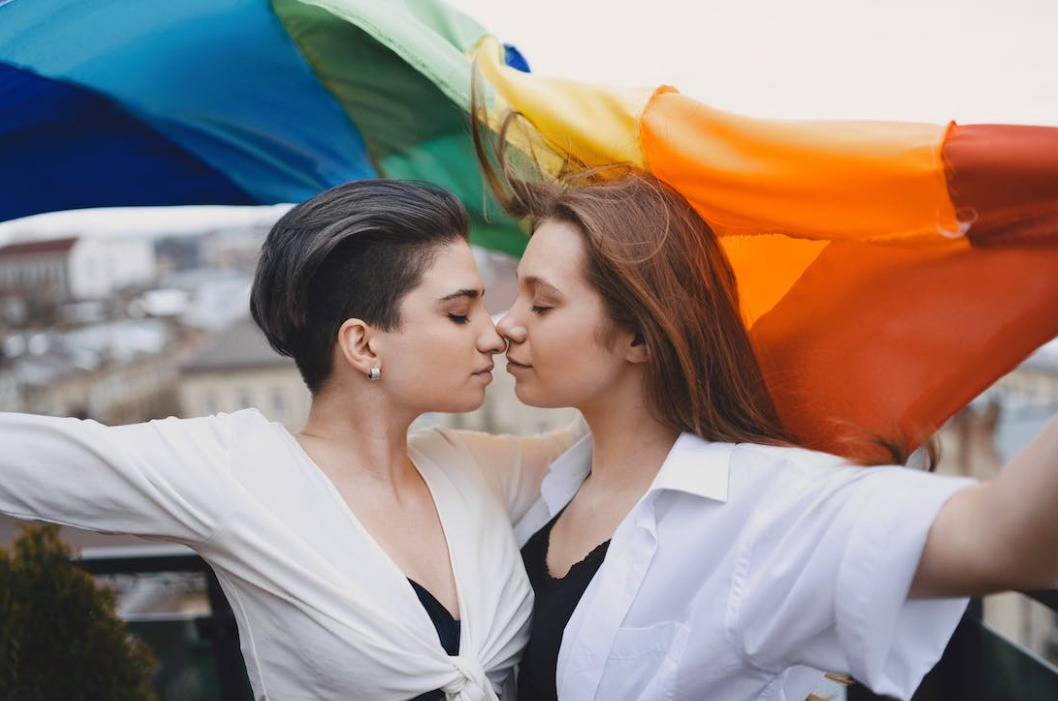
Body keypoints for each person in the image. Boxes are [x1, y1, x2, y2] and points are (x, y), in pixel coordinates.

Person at [474, 118, 1058, 701]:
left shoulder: (761, 509)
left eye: (542, 304)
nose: (506, 325)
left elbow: (998, 539)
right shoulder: (547, 487)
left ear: (640, 338)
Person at [0, 179, 581, 701]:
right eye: (459, 314)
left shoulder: (475, 466)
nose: (494, 335)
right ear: (362, 345)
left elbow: (614, 431)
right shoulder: (241, 474)